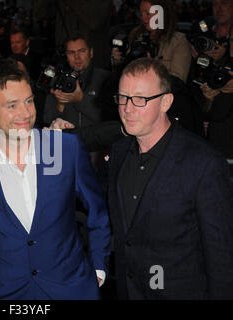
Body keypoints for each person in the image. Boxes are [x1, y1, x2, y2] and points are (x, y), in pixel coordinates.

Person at [0, 58, 111, 300]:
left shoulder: (66, 149)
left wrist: (98, 268)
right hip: (5, 295)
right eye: (12, 105)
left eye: (28, 101)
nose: (25, 113)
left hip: (72, 290)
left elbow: (98, 212)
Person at [108, 58, 233, 299]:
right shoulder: (118, 153)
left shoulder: (204, 163)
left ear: (166, 101)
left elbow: (222, 258)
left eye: (141, 99)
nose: (128, 108)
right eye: (123, 97)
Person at [44, 34, 122, 152]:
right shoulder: (58, 81)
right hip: (67, 150)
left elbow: (112, 122)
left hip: (99, 152)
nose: (77, 57)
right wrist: (60, 106)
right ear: (66, 56)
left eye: (82, 51)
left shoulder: (106, 79)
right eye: (71, 52)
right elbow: (47, 121)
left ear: (91, 53)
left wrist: (81, 100)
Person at [111, 0, 192, 83]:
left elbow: (177, 82)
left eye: (148, 13)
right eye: (141, 14)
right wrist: (117, 61)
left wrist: (153, 68)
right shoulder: (136, 36)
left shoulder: (178, 42)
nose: (143, 18)